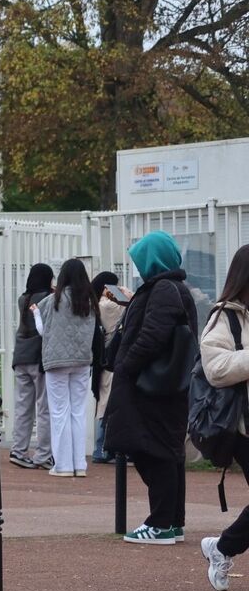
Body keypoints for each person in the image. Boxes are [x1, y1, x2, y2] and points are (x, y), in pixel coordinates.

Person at [105, 230, 197, 545]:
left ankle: (159, 523)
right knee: (167, 453)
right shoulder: (173, 288)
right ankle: (172, 521)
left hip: (152, 387)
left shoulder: (163, 290)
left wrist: (126, 365)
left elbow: (153, 335)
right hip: (165, 387)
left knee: (151, 452)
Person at [199, 244, 249, 591]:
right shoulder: (224, 316)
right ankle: (222, 548)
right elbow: (215, 367)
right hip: (244, 427)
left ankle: (222, 547)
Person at [32, 258, 96, 478]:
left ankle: (63, 465)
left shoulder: (53, 300)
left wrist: (34, 313)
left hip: (57, 361)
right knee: (78, 412)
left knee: (59, 412)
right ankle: (80, 465)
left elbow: (43, 331)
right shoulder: (89, 300)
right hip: (82, 361)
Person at [8, 264, 53, 469]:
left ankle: (19, 450)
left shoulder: (22, 299)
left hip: (20, 357)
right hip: (38, 357)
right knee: (44, 407)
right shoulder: (48, 299)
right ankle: (43, 454)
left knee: (23, 407)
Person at [91, 271, 128, 464]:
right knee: (107, 405)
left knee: (103, 403)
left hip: (102, 360)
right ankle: (101, 449)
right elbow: (131, 308)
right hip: (112, 360)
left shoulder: (95, 304)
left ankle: (101, 448)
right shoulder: (109, 306)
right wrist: (126, 294)